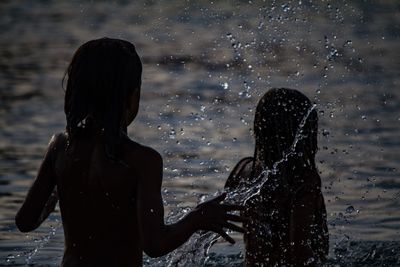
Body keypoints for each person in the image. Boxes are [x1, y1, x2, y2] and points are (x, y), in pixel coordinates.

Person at [15, 37, 246, 267]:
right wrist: (196, 218)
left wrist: (58, 186)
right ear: (131, 96)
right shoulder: (142, 161)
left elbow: (25, 221)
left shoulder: (59, 148)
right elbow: (155, 244)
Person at [225, 88, 329, 266]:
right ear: (303, 133)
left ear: (259, 128)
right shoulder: (302, 180)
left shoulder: (243, 169)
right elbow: (300, 252)